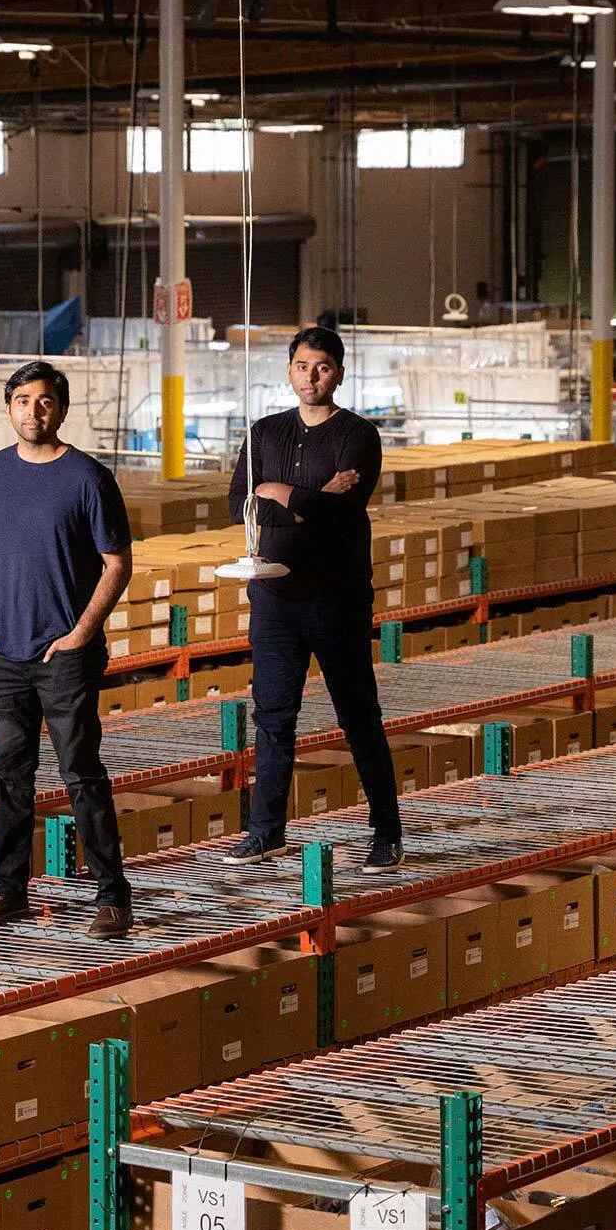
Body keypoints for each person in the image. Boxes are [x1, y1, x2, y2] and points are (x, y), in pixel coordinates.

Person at [0, 360, 135, 939]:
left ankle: (113, 896)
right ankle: (8, 891)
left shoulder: (88, 477)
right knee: (10, 774)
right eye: (24, 400)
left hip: (64, 657)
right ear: (8, 407)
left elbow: (117, 564)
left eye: (46, 401)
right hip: (2, 656)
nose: (34, 410)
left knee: (81, 772)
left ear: (61, 408)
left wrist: (81, 633)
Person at [223, 326, 405, 873]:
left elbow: (342, 510)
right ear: (289, 370)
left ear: (339, 373)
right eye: (302, 365)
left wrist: (277, 493)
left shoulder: (358, 436)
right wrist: (307, 500)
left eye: (322, 366)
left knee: (358, 715)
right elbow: (238, 505)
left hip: (336, 597)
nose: (311, 376)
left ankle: (387, 833)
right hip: (275, 598)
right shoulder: (264, 433)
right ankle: (266, 831)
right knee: (273, 716)